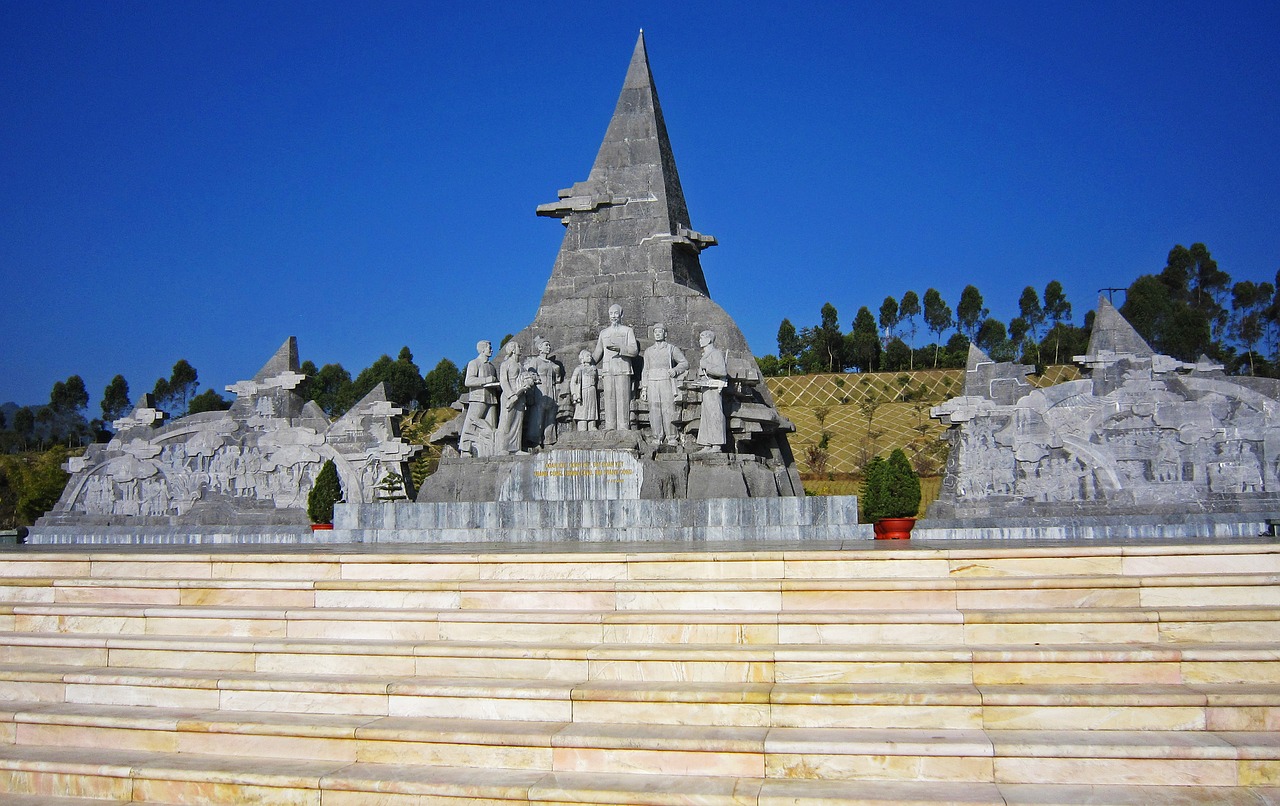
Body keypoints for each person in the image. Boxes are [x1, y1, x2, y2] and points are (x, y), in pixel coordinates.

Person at [591, 304, 639, 431]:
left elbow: (634, 350)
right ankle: (610, 425)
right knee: (609, 397)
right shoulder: (604, 333)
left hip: (623, 368)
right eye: (611, 313)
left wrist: (620, 349)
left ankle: (624, 426)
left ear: (621, 315)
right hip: (608, 369)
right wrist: (587, 362)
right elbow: (597, 352)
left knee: (623, 397)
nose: (613, 316)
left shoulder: (627, 331)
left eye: (615, 313)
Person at [640, 323, 688, 446]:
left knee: (668, 409)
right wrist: (644, 388)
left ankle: (672, 437)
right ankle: (657, 436)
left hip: (666, 380)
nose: (657, 333)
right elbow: (645, 370)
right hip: (652, 382)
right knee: (654, 410)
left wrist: (675, 370)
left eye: (660, 331)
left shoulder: (671, 348)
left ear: (665, 334)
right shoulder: (649, 351)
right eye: (655, 331)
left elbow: (684, 363)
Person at [459, 340, 498, 456]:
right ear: (482, 349)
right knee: (471, 423)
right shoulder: (474, 363)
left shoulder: (492, 367)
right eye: (489, 348)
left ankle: (489, 451)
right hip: (478, 398)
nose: (491, 350)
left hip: (491, 398)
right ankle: (465, 449)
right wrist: (486, 380)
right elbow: (468, 381)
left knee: (491, 428)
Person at [523, 337, 563, 448]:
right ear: (540, 348)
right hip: (540, 391)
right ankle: (536, 440)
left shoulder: (552, 364)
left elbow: (557, 380)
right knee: (538, 416)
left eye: (549, 345)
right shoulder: (535, 361)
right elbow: (529, 374)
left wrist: (558, 371)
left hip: (551, 391)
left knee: (550, 417)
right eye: (546, 345)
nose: (549, 347)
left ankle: (548, 440)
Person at [494, 341, 532, 454]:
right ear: (513, 349)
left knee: (518, 422)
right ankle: (502, 448)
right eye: (518, 346)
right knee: (506, 422)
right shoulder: (506, 364)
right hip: (509, 396)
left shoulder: (522, 366)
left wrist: (528, 384)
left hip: (520, 396)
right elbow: (503, 381)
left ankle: (516, 448)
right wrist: (511, 395)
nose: (521, 348)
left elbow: (526, 379)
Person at [694, 329, 728, 453]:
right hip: (705, 388)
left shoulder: (716, 353)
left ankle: (717, 444)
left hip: (714, 388)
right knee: (706, 416)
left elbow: (722, 371)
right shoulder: (705, 355)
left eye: (701, 338)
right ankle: (706, 443)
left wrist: (706, 366)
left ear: (708, 340)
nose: (699, 340)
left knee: (715, 414)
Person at [570, 350, 599, 431]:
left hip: (592, 390)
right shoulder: (579, 368)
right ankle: (582, 424)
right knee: (582, 408)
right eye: (587, 356)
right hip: (583, 390)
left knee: (592, 407)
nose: (590, 357)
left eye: (590, 356)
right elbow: (573, 381)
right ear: (582, 358)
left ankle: (592, 424)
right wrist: (574, 393)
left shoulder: (594, 368)